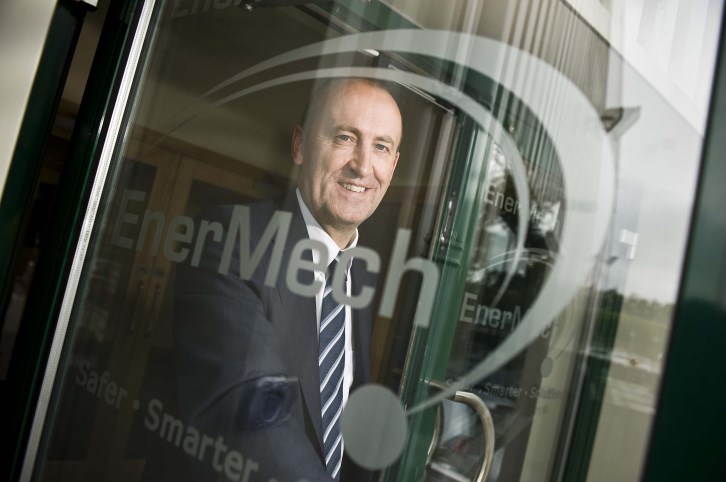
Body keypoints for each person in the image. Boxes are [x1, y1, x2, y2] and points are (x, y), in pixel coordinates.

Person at [172, 78, 402, 482]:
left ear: (393, 165)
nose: (363, 166)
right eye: (345, 138)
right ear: (300, 145)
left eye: (381, 147)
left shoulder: (360, 272)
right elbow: (254, 415)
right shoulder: (232, 238)